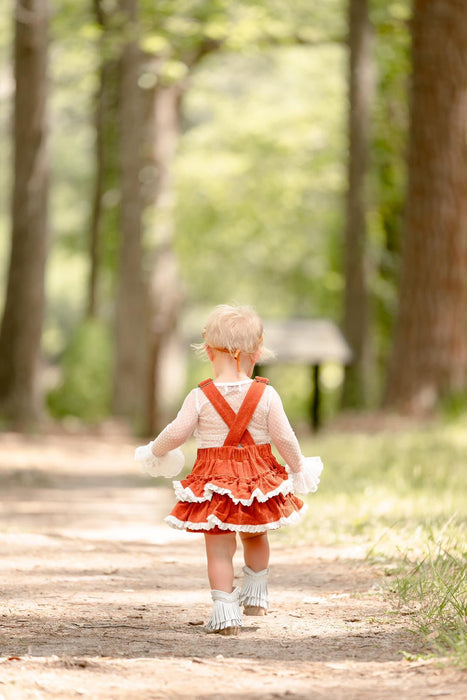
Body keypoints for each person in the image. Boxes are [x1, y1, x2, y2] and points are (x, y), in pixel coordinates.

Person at [135, 304, 323, 636]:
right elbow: (284, 437)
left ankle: (225, 613)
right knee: (255, 535)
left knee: (219, 548)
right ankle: (256, 595)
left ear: (207, 351)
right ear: (259, 350)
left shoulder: (199, 397)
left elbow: (177, 432)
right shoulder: (266, 394)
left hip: (214, 480)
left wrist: (155, 451)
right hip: (257, 476)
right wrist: (298, 468)